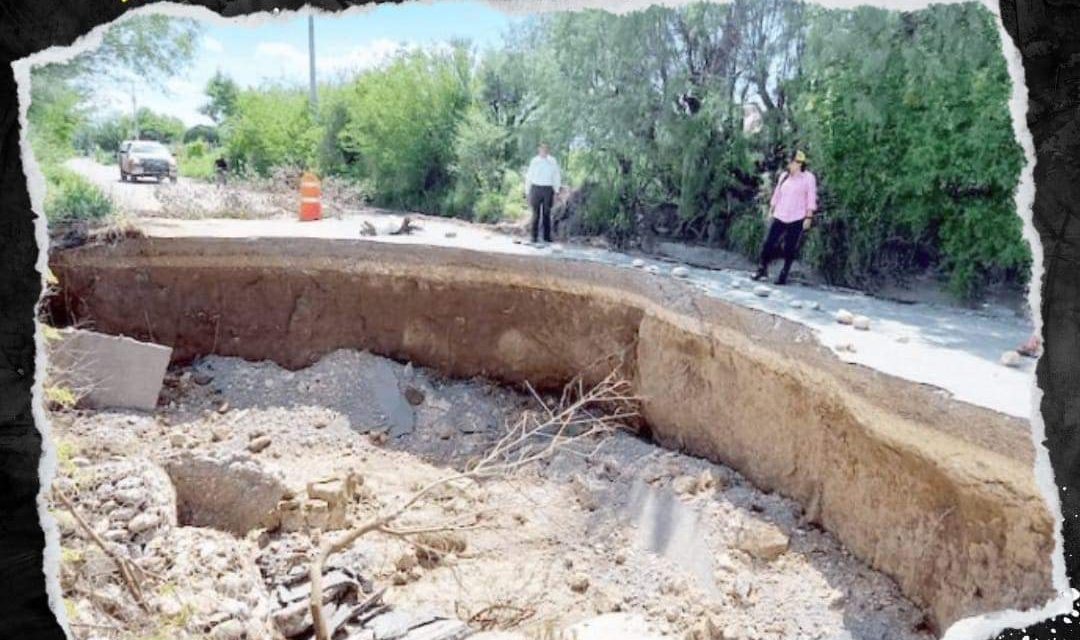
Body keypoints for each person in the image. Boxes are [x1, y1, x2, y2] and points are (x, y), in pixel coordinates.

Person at [752, 150, 818, 285]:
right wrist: (772, 209)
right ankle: (762, 268)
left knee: (790, 247)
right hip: (780, 215)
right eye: (789, 162)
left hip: (797, 217)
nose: (789, 165)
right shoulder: (784, 176)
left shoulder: (808, 178)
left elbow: (811, 197)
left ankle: (784, 274)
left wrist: (808, 217)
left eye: (792, 162)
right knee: (769, 242)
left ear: (799, 164)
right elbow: (777, 194)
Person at [524, 143, 561, 244]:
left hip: (548, 188)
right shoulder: (534, 161)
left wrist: (557, 190)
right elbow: (529, 176)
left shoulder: (552, 161)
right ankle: (534, 237)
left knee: (546, 213)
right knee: (535, 214)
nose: (543, 151)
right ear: (539, 150)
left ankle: (547, 237)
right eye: (542, 149)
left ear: (548, 150)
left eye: (545, 149)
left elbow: (556, 176)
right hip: (536, 188)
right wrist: (527, 191)